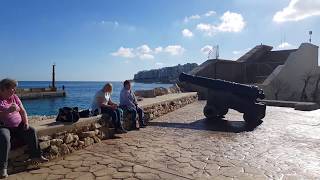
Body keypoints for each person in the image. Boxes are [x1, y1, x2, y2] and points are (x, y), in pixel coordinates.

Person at [0, 79, 49, 178]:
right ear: (3, 89)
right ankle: (3, 168)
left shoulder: (14, 97)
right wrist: (8, 111)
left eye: (15, 88)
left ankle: (36, 156)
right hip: (4, 126)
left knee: (31, 130)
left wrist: (26, 122)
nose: (14, 90)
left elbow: (23, 112)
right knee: (4, 138)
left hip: (18, 126)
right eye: (12, 88)